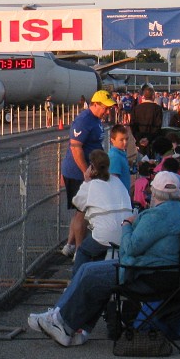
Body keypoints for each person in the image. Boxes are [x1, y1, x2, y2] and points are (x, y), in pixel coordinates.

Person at [27, 171, 180, 346]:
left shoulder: (158, 216)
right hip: (162, 273)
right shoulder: (178, 213)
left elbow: (129, 248)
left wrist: (127, 225)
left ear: (154, 193)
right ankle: (64, 321)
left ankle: (64, 323)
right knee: (87, 270)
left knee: (92, 274)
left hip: (146, 275)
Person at [60, 90, 116, 257]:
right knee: (82, 213)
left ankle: (69, 245)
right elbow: (75, 148)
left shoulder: (96, 120)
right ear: (95, 104)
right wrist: (86, 171)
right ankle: (79, 251)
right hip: (78, 173)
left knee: (80, 212)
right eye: (105, 108)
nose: (107, 111)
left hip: (87, 172)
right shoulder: (84, 120)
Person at [69, 150, 132, 273]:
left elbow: (77, 203)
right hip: (125, 232)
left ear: (92, 167)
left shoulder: (91, 185)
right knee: (98, 251)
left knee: (83, 251)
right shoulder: (117, 181)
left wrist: (86, 181)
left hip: (105, 234)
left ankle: (75, 283)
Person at [130, 85, 164, 154]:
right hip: (153, 141)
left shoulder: (136, 109)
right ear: (153, 96)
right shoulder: (158, 109)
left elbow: (133, 125)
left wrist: (139, 138)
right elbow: (158, 126)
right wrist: (148, 139)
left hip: (140, 141)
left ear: (144, 96)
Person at [108, 124, 132, 195]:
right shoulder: (115, 157)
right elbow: (114, 181)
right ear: (112, 140)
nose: (125, 142)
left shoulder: (120, 154)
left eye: (126, 139)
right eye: (121, 140)